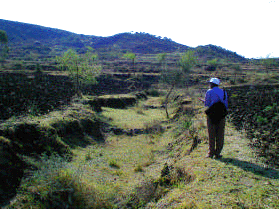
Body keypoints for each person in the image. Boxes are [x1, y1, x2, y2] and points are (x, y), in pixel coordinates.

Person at [198, 78, 228, 159]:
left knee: (211, 134)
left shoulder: (209, 91)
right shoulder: (224, 92)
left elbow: (207, 104)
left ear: (211, 84)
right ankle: (218, 153)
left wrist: (203, 101)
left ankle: (211, 153)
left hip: (212, 115)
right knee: (220, 134)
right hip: (221, 115)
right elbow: (226, 105)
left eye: (210, 83)